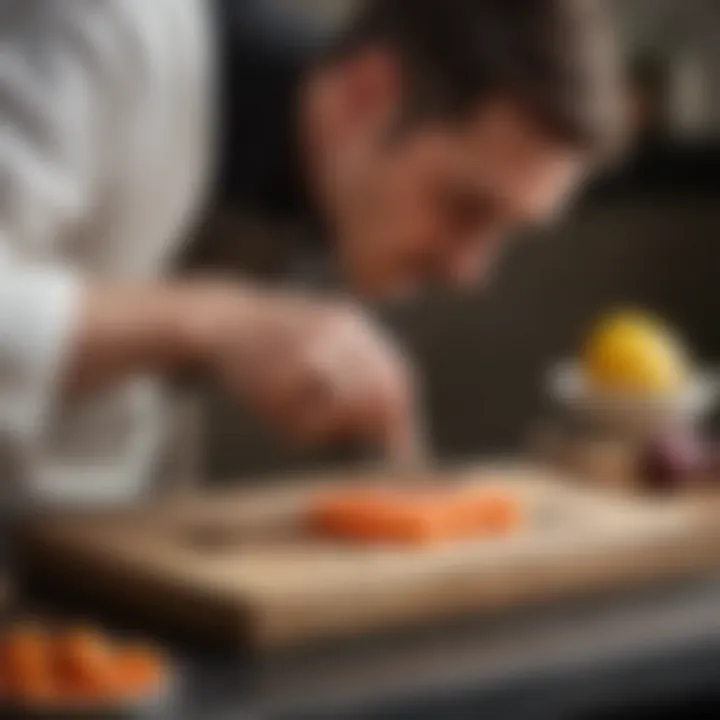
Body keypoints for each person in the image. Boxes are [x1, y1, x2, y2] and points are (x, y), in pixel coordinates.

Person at [0, 0, 622, 503]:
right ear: (365, 94)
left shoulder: (326, 203)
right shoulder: (104, 28)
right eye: (465, 207)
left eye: (506, 230)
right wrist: (212, 323)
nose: (468, 272)